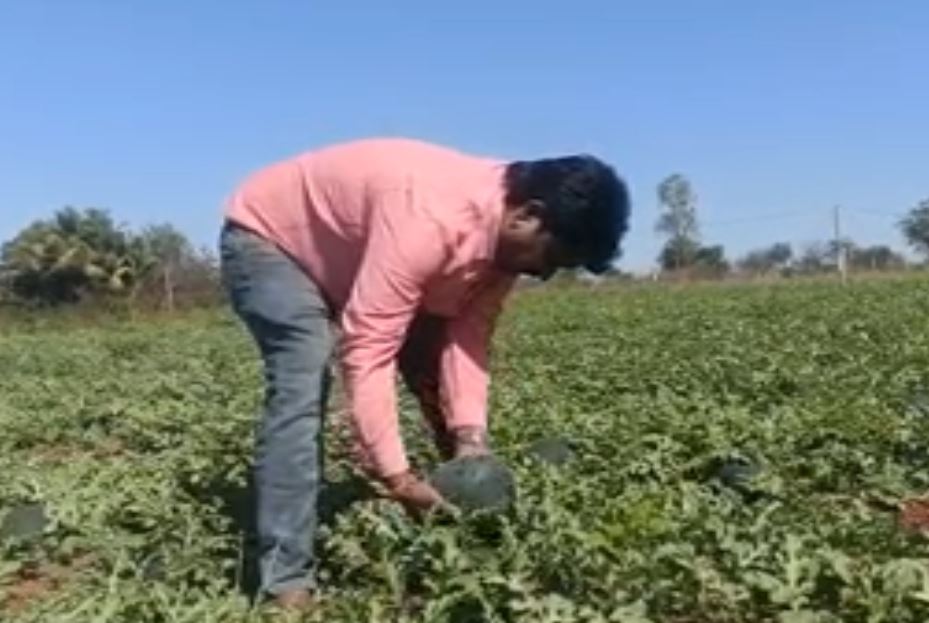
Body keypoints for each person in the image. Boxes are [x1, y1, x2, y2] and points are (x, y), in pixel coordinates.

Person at [218, 137, 630, 611]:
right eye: (551, 260)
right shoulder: (429, 218)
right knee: (304, 373)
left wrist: (471, 436)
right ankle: (286, 579)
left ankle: (453, 517)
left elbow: (468, 338)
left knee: (432, 363)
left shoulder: (505, 237)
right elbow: (368, 347)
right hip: (272, 240)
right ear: (527, 216)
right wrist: (394, 475)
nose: (543, 275)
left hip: (354, 255)